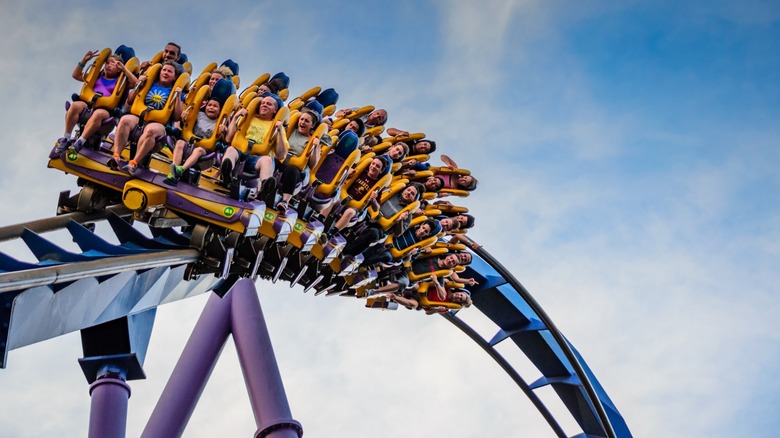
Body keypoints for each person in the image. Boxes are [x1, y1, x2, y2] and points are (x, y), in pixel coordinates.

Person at [54, 49, 138, 155]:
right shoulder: (96, 76)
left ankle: (80, 142)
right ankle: (66, 138)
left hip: (105, 110)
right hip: (88, 104)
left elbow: (136, 84)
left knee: (99, 113)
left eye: (114, 64)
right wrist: (84, 61)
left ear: (119, 68)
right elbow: (76, 75)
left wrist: (125, 69)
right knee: (75, 105)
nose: (109, 65)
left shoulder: (121, 83)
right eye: (107, 62)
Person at [108, 60, 183, 174]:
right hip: (140, 117)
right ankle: (116, 156)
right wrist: (138, 85)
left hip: (158, 123)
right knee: (124, 120)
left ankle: (133, 163)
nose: (166, 73)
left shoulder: (175, 92)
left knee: (150, 130)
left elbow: (177, 117)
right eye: (164, 70)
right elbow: (130, 100)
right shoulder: (149, 84)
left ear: (174, 77)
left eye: (170, 71)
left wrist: (177, 97)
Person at [222, 93, 287, 198]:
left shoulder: (276, 127)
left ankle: (264, 189)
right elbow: (228, 138)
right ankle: (226, 174)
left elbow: (281, 155)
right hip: (240, 154)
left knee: (267, 160)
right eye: (263, 103)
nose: (264, 105)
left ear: (275, 110)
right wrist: (235, 117)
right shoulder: (248, 118)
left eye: (269, 104)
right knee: (230, 150)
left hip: (256, 160)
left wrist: (279, 131)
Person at [163, 97, 226, 186]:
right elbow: (185, 125)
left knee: (198, 150)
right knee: (180, 143)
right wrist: (184, 118)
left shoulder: (220, 123)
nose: (211, 107)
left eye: (215, 106)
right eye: (209, 105)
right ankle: (174, 171)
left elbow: (224, 139)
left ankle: (181, 170)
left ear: (220, 110)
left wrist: (223, 132)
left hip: (204, 149)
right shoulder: (199, 115)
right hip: (190, 143)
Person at [274, 109, 322, 211]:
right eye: (301, 119)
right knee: (270, 161)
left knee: (291, 169)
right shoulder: (291, 131)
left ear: (312, 126)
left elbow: (312, 164)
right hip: (282, 160)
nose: (302, 122)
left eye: (306, 121)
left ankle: (285, 201)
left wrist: (316, 146)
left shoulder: (312, 140)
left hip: (297, 171)